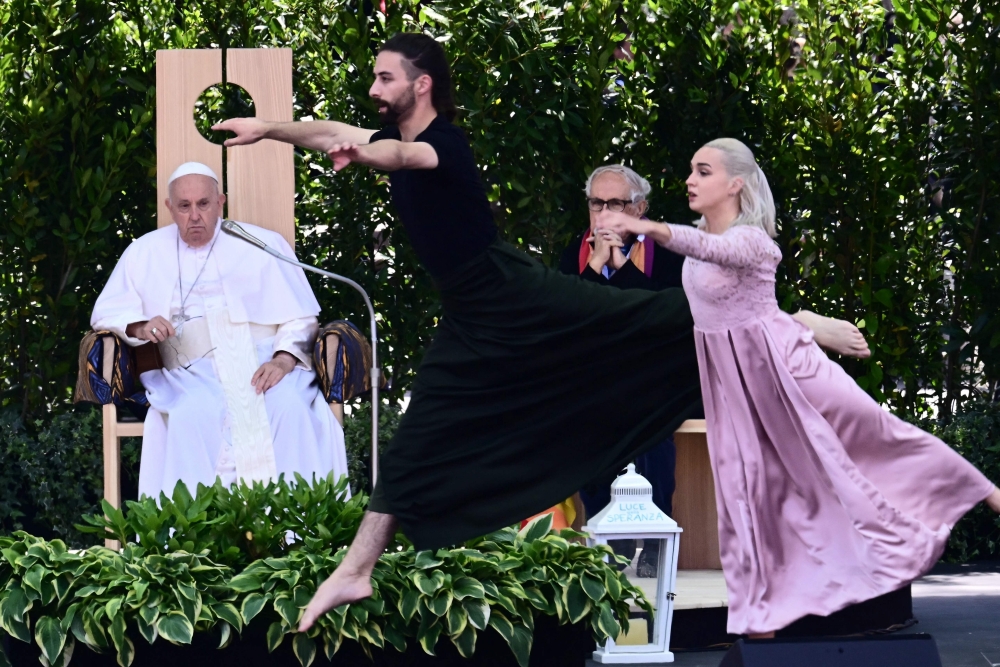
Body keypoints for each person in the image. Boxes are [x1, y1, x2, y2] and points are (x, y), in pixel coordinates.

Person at [216, 34, 706, 630]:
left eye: (386, 78)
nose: (374, 89)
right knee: (417, 436)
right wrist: (267, 128)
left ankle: (789, 324)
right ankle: (356, 569)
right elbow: (327, 130)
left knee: (641, 318)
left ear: (421, 85)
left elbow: (405, 159)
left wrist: (367, 155)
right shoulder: (396, 138)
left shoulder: (441, 143)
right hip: (472, 317)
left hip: (509, 291)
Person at [597, 137, 1000, 637]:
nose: (690, 181)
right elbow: (677, 290)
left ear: (735, 184)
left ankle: (978, 489)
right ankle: (757, 616)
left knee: (871, 431)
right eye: (691, 171)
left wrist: (646, 226)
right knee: (744, 490)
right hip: (735, 382)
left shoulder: (752, 242)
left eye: (703, 172)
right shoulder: (697, 240)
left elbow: (710, 248)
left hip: (788, 366)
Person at [561, 164, 869, 575]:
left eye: (614, 203)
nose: (603, 213)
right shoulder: (574, 255)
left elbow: (676, 313)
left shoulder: (668, 253)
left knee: (653, 428)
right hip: (597, 385)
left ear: (639, 209)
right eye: (596, 203)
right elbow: (568, 320)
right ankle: (605, 556)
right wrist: (595, 265)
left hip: (662, 379)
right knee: (587, 427)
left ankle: (654, 549)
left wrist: (621, 268)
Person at [91, 162, 349, 500]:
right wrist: (141, 324)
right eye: (184, 206)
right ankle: (194, 538)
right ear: (170, 207)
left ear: (220, 203)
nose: (195, 215)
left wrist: (284, 361)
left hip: (263, 361)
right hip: (190, 370)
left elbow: (300, 316)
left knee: (288, 406)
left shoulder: (261, 243)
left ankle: (296, 534)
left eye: (204, 204)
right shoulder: (144, 252)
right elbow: (106, 312)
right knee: (192, 413)